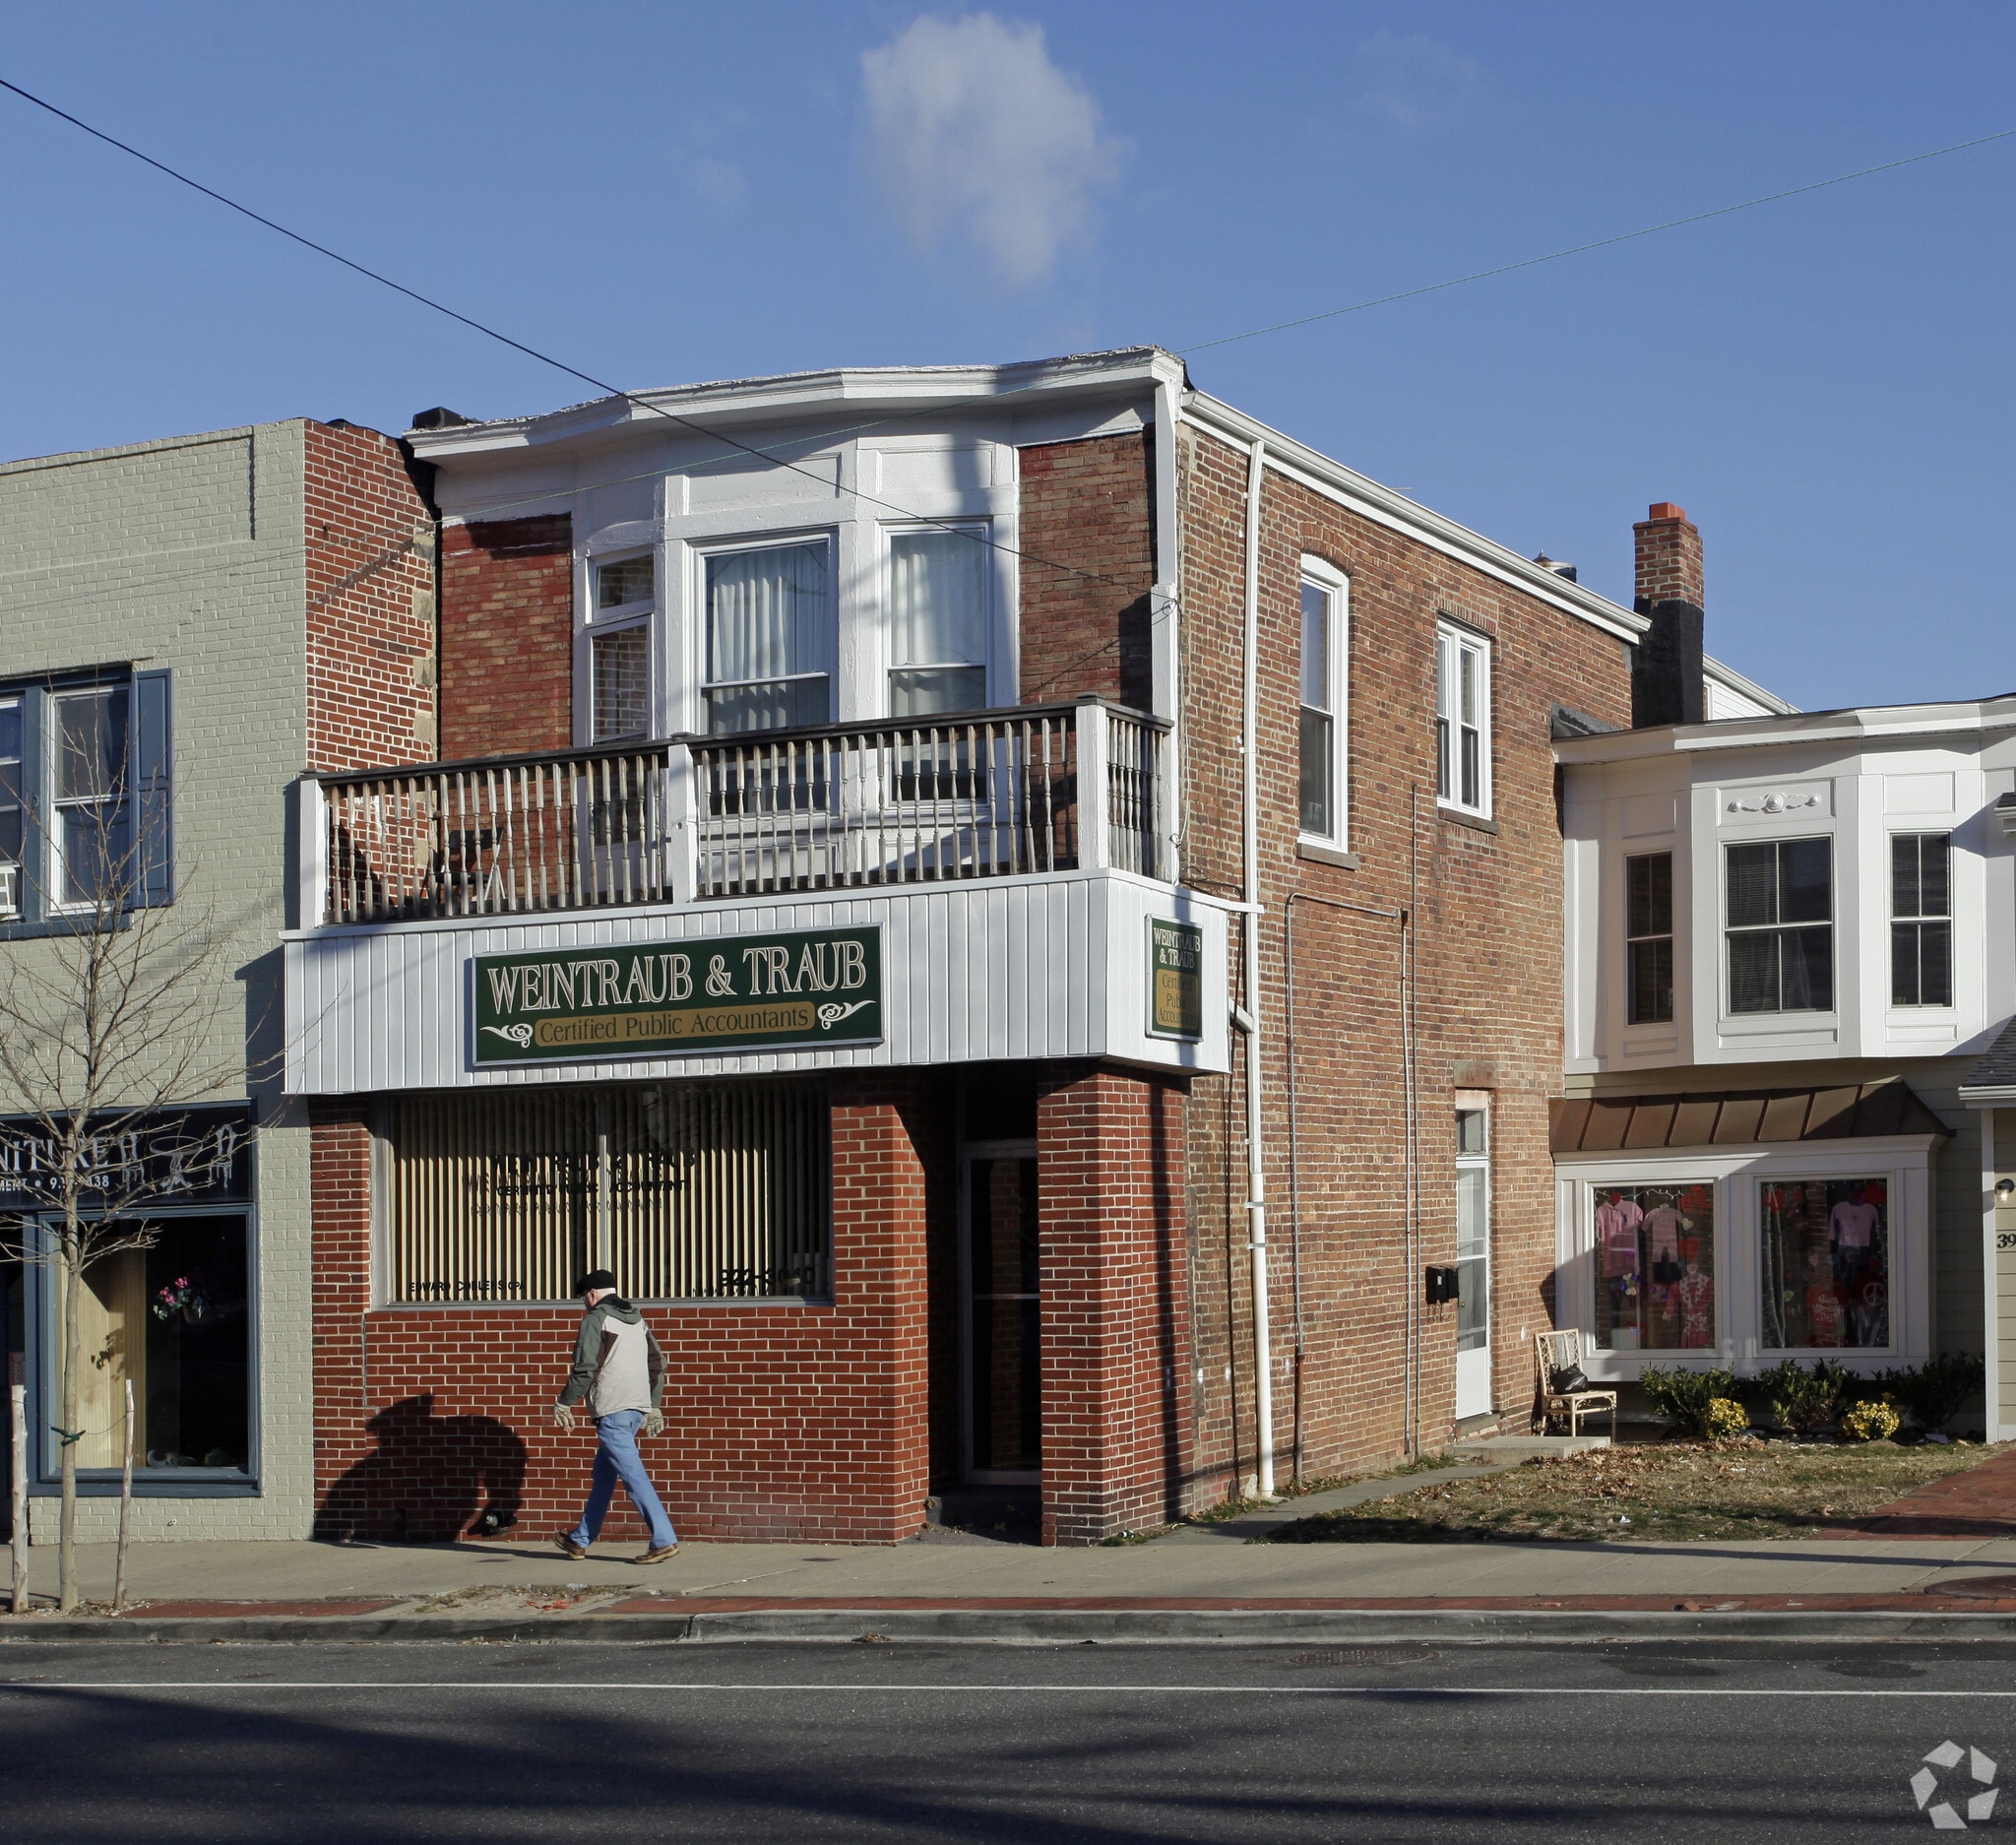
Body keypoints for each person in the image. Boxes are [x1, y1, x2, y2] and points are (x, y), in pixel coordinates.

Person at [551, 1269, 678, 1563]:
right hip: (636, 1409)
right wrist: (654, 1405)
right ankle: (579, 1540)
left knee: (635, 1476)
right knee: (604, 1477)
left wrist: (564, 1403)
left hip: (612, 1410)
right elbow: (659, 1361)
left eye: (584, 1296)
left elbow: (585, 1368)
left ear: (592, 1294)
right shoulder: (637, 1320)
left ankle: (664, 1540)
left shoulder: (596, 1320)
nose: (584, 1302)